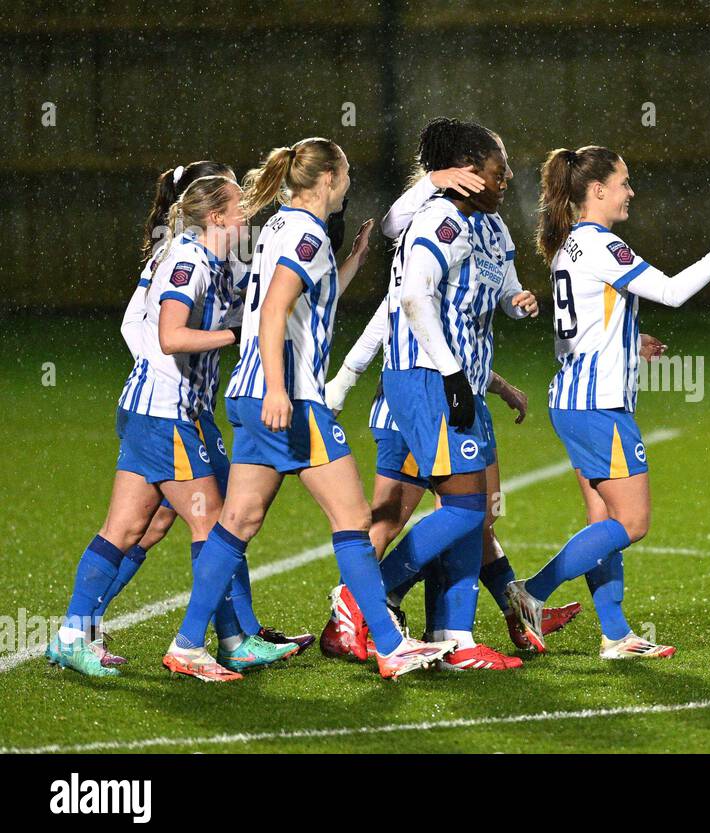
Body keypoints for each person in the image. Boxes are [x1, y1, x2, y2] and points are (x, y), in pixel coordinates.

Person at [169, 137, 456, 681]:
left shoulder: (282, 225)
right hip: (291, 399)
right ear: (328, 179)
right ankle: (391, 646)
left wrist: (352, 262)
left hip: (250, 396)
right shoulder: (307, 233)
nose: (348, 181)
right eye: (345, 172)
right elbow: (276, 308)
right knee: (352, 520)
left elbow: (303, 299)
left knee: (238, 520)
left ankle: (187, 644)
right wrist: (281, 389)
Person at [321, 128, 581, 664]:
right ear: (465, 169)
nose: (507, 177)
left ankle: (451, 634)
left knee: (464, 512)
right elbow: (408, 298)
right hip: (426, 381)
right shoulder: (440, 218)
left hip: (449, 382)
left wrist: (515, 305)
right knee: (455, 510)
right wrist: (356, 378)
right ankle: (364, 601)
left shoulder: (486, 225)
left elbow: (486, 296)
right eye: (497, 167)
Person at [505, 145, 710, 659]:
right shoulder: (601, 244)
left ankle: (616, 634)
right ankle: (530, 592)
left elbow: (579, 324)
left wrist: (629, 339)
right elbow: (672, 291)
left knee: (604, 524)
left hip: (575, 399)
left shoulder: (567, 245)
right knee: (632, 523)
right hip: (600, 407)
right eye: (624, 182)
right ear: (596, 190)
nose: (631, 191)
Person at [48, 173, 297, 677]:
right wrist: (233, 336)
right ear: (218, 217)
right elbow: (169, 335)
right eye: (239, 208)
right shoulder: (187, 258)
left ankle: (73, 635)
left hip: (158, 412)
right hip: (166, 414)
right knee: (215, 523)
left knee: (127, 527)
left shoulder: (205, 256)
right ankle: (216, 642)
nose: (246, 216)